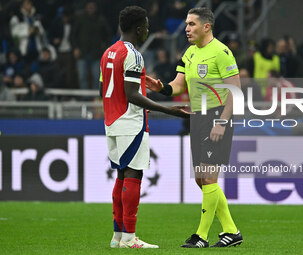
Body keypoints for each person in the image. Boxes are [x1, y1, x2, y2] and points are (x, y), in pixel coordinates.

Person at [146, 7, 242, 248]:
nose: (186, 29)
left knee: (209, 177)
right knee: (201, 179)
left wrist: (222, 122)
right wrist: (161, 88)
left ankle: (201, 236)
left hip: (218, 116)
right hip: (197, 118)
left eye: (191, 24)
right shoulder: (189, 54)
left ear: (206, 27)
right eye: (187, 24)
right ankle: (231, 231)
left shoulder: (222, 52)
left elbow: (236, 91)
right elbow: (178, 85)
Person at [99, 6, 190, 249]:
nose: (147, 30)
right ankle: (129, 238)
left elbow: (104, 91)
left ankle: (118, 237)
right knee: (133, 175)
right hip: (130, 122)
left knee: (121, 176)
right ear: (138, 28)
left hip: (111, 121)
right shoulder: (133, 55)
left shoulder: (108, 52)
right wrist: (169, 109)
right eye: (146, 26)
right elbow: (132, 95)